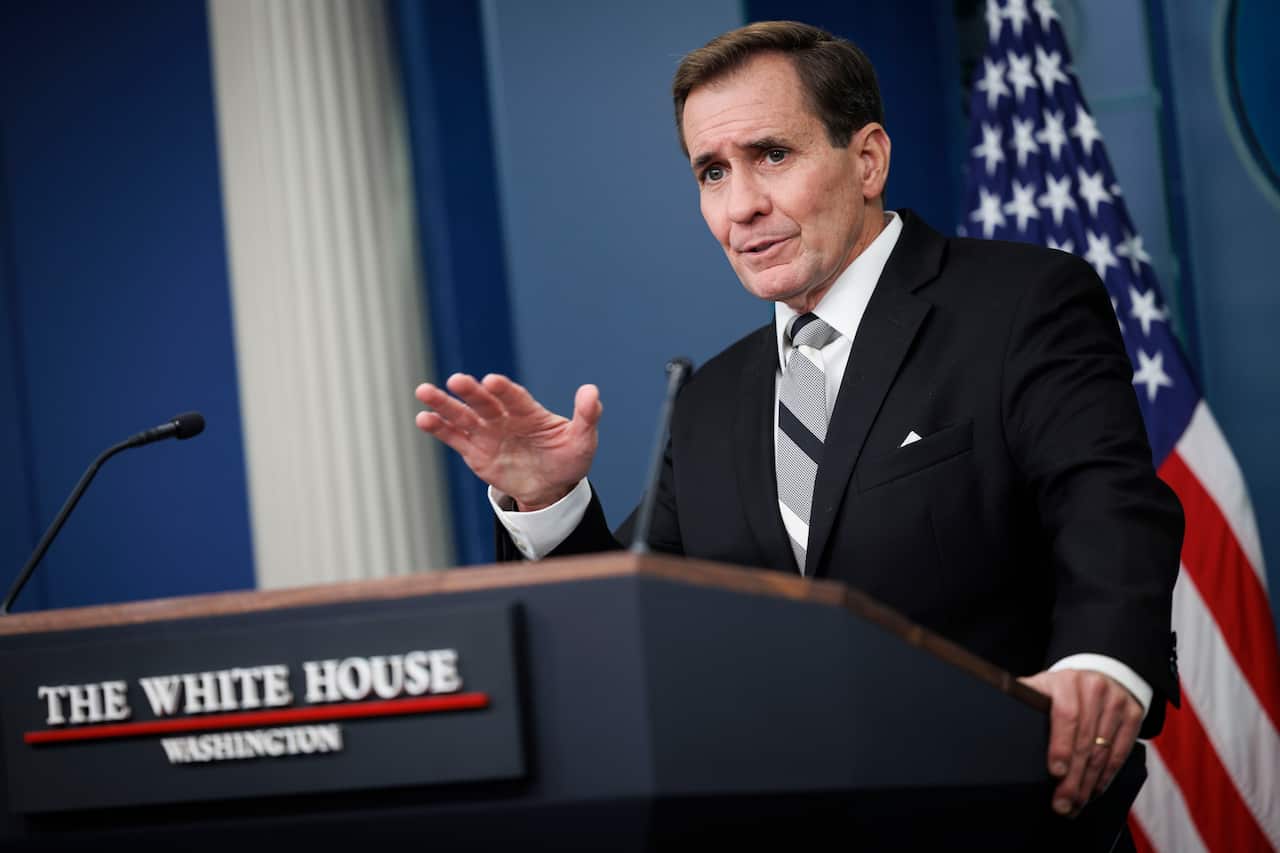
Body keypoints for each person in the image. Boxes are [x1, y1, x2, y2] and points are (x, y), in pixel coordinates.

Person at [414, 19, 1181, 842]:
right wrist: (549, 499)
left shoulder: (1018, 304)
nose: (741, 205)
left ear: (868, 160)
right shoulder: (709, 402)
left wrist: (1098, 666)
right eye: (712, 172)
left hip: (997, 812)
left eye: (771, 155)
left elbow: (1106, 506)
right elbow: (632, 628)